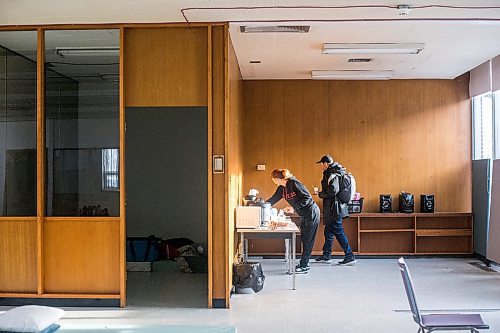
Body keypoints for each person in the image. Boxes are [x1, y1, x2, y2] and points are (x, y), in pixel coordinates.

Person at [267, 168, 320, 273]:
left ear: (277, 178)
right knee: (304, 238)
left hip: (312, 212)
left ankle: (304, 266)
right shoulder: (281, 189)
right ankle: (305, 262)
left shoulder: (294, 183)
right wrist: (262, 206)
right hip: (304, 214)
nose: (274, 181)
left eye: (274, 179)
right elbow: (272, 200)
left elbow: (307, 198)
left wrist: (294, 208)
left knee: (308, 239)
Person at [314, 155, 356, 265]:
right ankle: (326, 255)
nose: (321, 167)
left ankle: (349, 255)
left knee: (338, 231)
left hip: (335, 208)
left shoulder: (333, 174)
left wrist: (320, 194)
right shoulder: (333, 173)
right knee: (328, 232)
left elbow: (333, 190)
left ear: (326, 164)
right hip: (333, 207)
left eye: (322, 164)